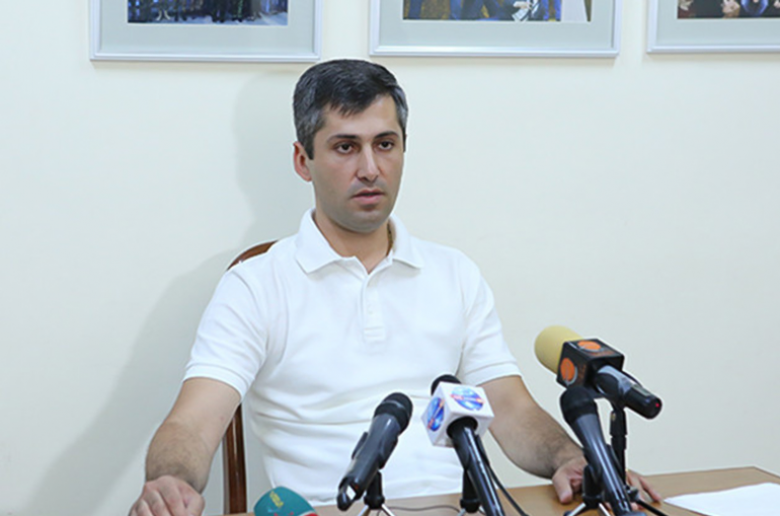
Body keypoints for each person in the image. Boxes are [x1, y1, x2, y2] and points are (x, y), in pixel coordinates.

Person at [128, 59, 661, 516]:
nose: (370, 169)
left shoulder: (455, 274)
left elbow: (512, 409)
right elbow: (192, 423)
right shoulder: (255, 285)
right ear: (302, 161)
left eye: (385, 144)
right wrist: (169, 482)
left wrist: (573, 459)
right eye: (345, 147)